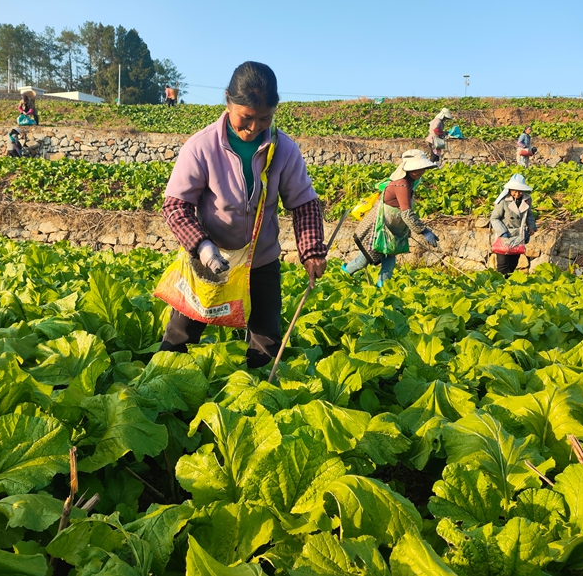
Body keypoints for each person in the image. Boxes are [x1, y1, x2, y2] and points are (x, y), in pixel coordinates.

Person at [159, 61, 328, 368]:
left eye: (264, 119)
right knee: (181, 334)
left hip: (260, 262)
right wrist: (202, 247)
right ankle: (164, 383)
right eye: (245, 118)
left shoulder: (283, 149)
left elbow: (304, 203)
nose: (253, 128)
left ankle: (259, 391)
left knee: (266, 341)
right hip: (211, 260)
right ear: (228, 102)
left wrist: (312, 251)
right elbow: (175, 206)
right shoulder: (201, 147)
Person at [342, 149, 439, 286]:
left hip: (393, 232)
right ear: (408, 169)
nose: (420, 172)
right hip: (378, 229)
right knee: (362, 262)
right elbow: (406, 213)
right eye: (417, 169)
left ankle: (382, 289)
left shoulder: (410, 183)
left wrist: (406, 229)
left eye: (422, 168)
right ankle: (342, 277)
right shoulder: (401, 184)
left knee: (389, 265)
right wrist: (424, 231)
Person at [490, 173, 537, 277]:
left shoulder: (527, 200)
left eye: (520, 191)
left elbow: (529, 214)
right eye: (514, 191)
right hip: (505, 236)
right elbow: (494, 218)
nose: (517, 194)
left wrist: (531, 227)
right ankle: (500, 284)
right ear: (510, 190)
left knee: (513, 264)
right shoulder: (503, 201)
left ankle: (509, 284)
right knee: (503, 265)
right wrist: (503, 233)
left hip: (518, 236)